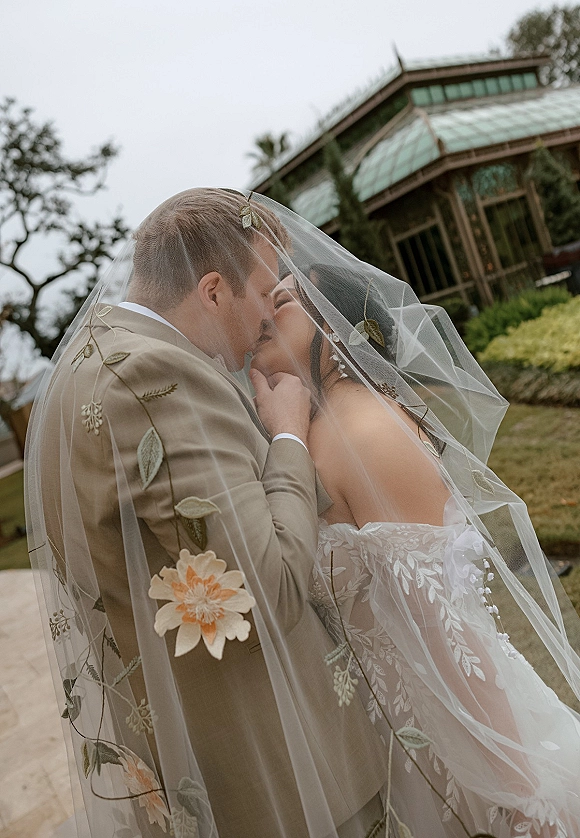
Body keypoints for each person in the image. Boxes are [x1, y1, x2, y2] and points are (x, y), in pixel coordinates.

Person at [25, 189, 389, 838]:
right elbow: (271, 587)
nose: (269, 315)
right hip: (287, 775)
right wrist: (288, 435)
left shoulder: (81, 367)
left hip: (201, 757)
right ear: (215, 290)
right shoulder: (155, 376)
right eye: (266, 292)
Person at [250, 259, 580, 838]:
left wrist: (519, 793)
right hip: (380, 740)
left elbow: (446, 627)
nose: (262, 315)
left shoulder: (367, 432)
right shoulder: (314, 430)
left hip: (453, 749)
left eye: (283, 302)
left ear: (336, 328)